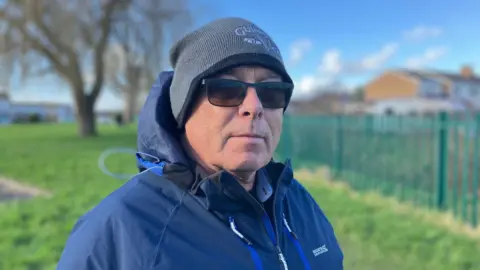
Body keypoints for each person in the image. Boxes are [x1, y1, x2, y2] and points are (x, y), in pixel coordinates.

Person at [56, 17, 344, 270]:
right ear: (183, 110)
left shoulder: (298, 201)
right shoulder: (117, 233)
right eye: (227, 89)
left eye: (271, 92)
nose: (254, 107)